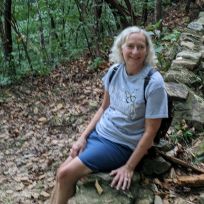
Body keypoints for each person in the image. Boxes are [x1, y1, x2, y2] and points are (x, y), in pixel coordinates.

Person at [50, 26, 168, 204]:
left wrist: (129, 167)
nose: (135, 52)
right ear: (121, 47)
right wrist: (83, 137)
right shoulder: (114, 72)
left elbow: (151, 131)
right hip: (100, 133)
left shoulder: (153, 82)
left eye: (141, 47)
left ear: (147, 50)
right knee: (61, 171)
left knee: (66, 174)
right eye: (130, 46)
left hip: (121, 144)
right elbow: (104, 108)